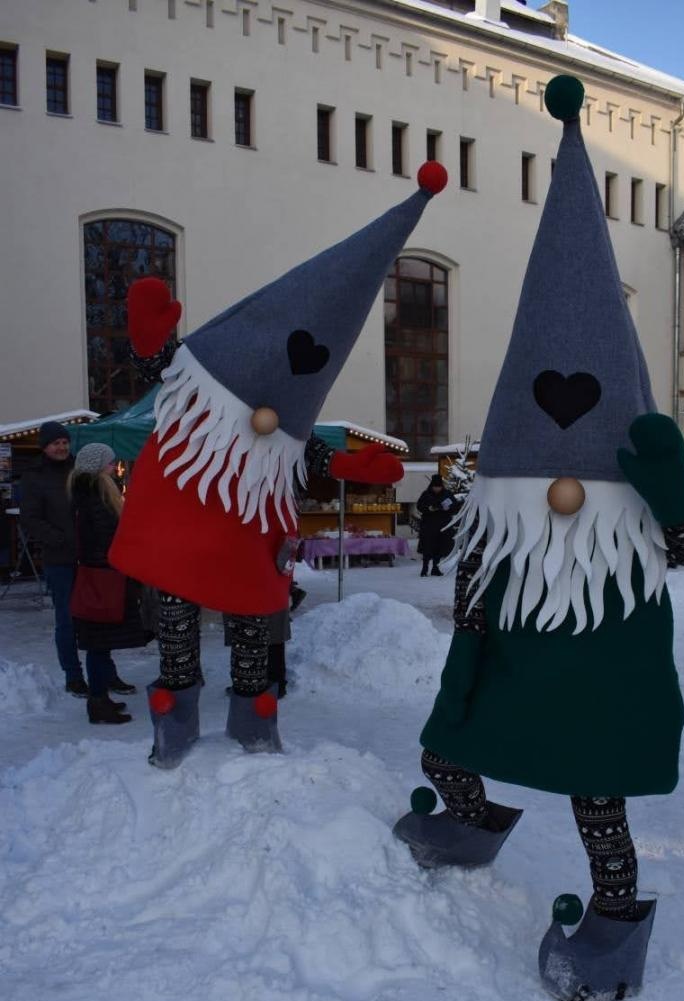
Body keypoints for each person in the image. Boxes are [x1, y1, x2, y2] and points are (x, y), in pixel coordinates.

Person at [393, 76, 684, 1001]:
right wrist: (466, 657)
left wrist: (668, 490)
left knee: (595, 796)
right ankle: (472, 822)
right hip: (520, 669)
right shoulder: (502, 529)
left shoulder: (630, 525)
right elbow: (472, 597)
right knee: (443, 750)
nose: (565, 489)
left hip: (600, 689)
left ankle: (615, 923)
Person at [110, 161, 448, 768]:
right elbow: (161, 366)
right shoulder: (197, 394)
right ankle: (176, 723)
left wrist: (354, 465)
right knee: (178, 627)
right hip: (181, 539)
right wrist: (150, 341)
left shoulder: (283, 438)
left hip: (243, 543)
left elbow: (318, 453)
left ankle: (253, 721)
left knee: (250, 631)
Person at [68, 443, 154, 725]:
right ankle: (97, 702)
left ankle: (101, 697)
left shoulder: (86, 494)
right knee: (97, 644)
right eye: (109, 462)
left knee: (99, 644)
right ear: (97, 467)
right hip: (103, 579)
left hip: (98, 577)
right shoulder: (98, 498)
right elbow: (107, 541)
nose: (113, 466)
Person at [19, 421, 86, 695]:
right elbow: (30, 519)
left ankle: (105, 671)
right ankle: (73, 675)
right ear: (45, 447)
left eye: (64, 442)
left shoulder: (79, 470)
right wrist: (58, 538)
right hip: (59, 559)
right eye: (55, 443)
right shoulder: (34, 476)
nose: (61, 447)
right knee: (67, 619)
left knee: (97, 616)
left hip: (88, 555)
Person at [416, 475, 457, 576]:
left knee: (439, 547)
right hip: (429, 525)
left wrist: (449, 508)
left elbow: (456, 506)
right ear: (431, 486)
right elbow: (419, 506)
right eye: (435, 487)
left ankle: (435, 568)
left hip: (443, 525)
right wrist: (429, 508)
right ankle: (424, 568)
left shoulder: (447, 494)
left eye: (439, 487)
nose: (437, 489)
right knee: (427, 547)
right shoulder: (426, 494)